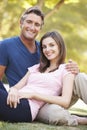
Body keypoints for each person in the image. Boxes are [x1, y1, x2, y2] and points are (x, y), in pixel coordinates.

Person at [0, 6, 82, 125]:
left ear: (40, 28)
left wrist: (74, 69)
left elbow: (60, 71)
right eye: (29, 22)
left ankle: (78, 119)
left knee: (81, 77)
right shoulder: (7, 47)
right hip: (16, 99)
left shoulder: (45, 51)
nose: (32, 27)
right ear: (21, 23)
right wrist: (13, 90)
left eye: (37, 24)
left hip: (32, 106)